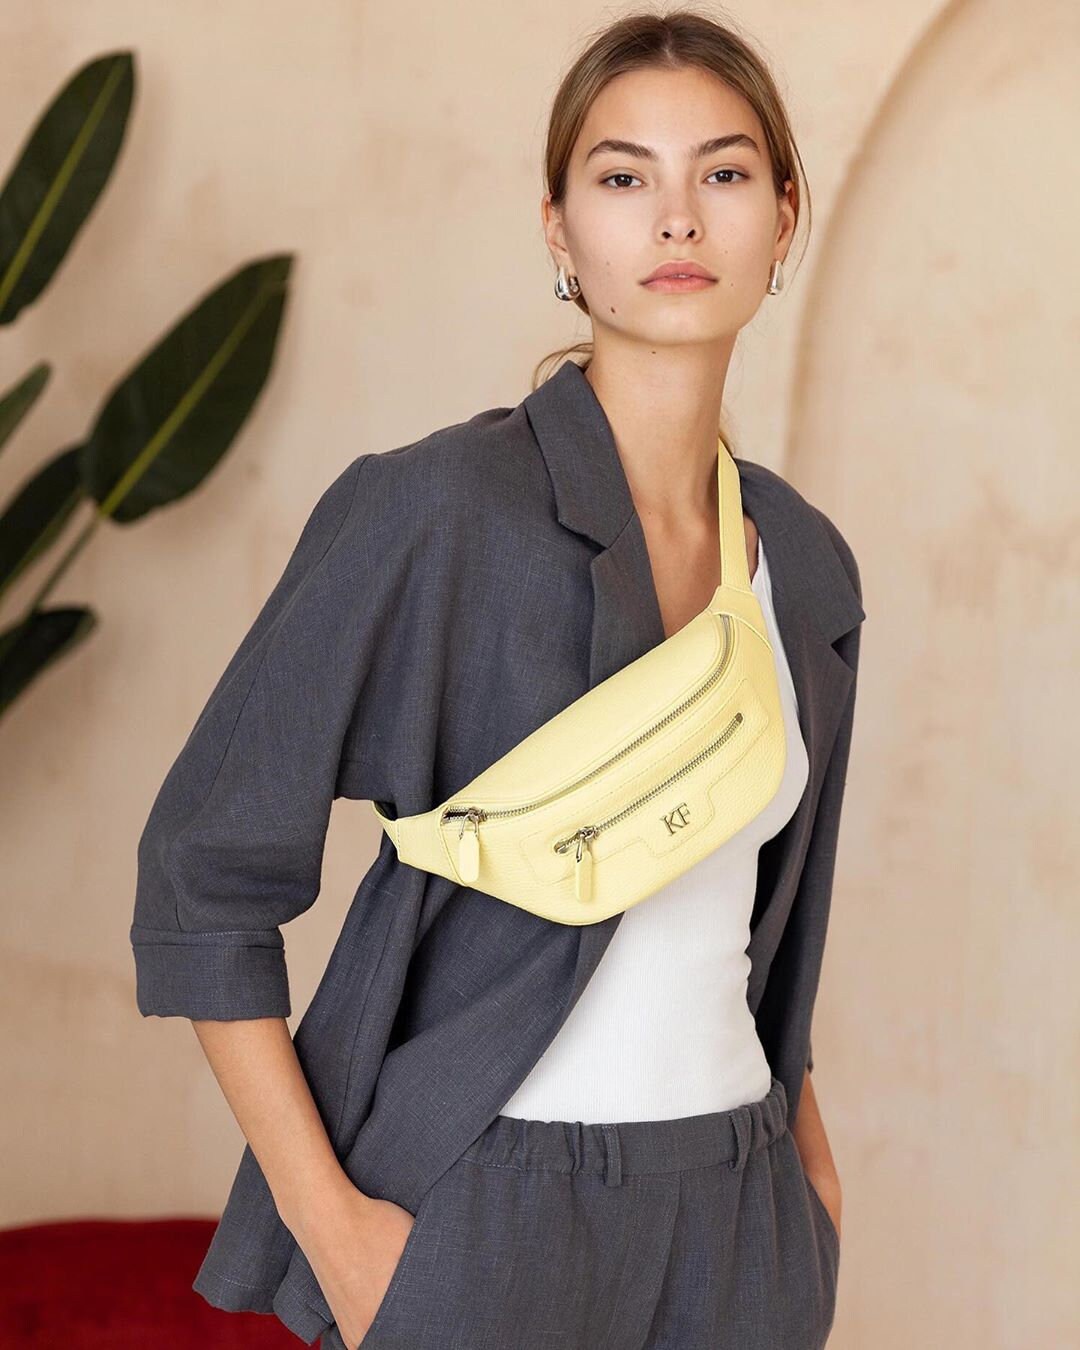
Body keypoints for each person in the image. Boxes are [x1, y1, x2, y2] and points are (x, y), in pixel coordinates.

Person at [130, 10, 865, 1348]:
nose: (678, 218)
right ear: (558, 231)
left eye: (725, 171)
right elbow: (203, 872)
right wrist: (341, 1237)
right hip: (487, 1212)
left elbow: (778, 922)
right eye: (624, 176)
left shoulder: (804, 564)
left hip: (741, 1219)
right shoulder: (436, 515)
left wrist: (807, 1190)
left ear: (784, 217)